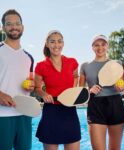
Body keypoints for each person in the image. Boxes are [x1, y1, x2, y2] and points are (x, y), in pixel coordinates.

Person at [34, 30, 81, 150]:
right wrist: (44, 93)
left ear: (63, 43)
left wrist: (72, 91)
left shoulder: (72, 62)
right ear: (47, 44)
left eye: (59, 41)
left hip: (69, 110)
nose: (56, 45)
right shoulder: (40, 66)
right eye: (52, 41)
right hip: (51, 111)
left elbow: (76, 76)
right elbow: (37, 87)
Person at [79, 35, 124, 150]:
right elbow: (79, 92)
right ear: (92, 47)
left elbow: (123, 87)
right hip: (95, 106)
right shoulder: (85, 66)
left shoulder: (117, 64)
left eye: (103, 44)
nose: (100, 48)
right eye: (96, 45)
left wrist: (121, 88)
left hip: (115, 105)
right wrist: (89, 91)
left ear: (107, 46)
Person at [0, 9, 35, 150]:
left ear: (22, 27)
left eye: (17, 23)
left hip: (24, 115)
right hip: (2, 115)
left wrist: (31, 86)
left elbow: (30, 82)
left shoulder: (29, 57)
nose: (14, 27)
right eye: (9, 24)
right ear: (3, 28)